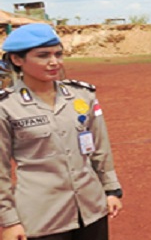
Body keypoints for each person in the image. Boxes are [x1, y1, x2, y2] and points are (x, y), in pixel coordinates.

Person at [0, 23, 123, 240]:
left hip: (91, 208)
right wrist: (9, 221)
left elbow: (99, 148)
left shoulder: (82, 96)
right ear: (17, 60)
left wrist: (111, 190)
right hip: (43, 217)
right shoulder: (6, 106)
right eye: (43, 56)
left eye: (58, 54)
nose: (54, 62)